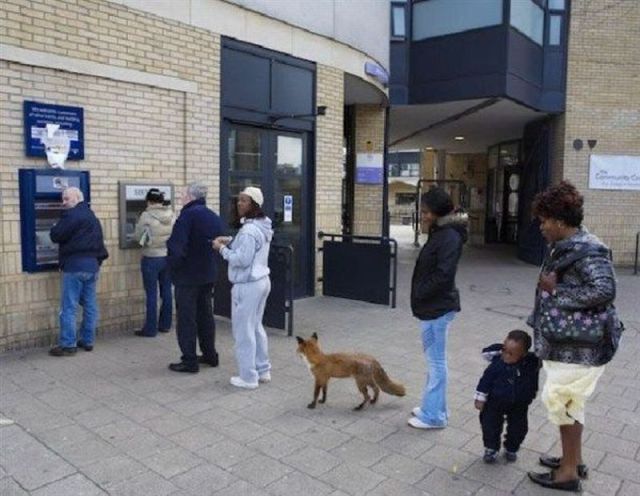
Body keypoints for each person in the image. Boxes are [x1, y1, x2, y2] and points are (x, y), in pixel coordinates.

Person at [527, 181, 623, 492]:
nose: (541, 227)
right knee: (571, 404)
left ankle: (568, 473)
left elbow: (605, 290)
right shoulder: (566, 245)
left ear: (558, 220)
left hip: (579, 348)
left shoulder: (587, 249)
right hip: (569, 344)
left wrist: (557, 290)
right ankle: (573, 459)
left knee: (562, 402)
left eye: (543, 221)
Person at [409, 187, 467, 429]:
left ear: (438, 213)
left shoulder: (448, 237)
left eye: (426, 212)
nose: (422, 215)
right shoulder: (442, 231)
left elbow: (443, 275)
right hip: (433, 307)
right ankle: (435, 408)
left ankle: (433, 417)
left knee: (436, 364)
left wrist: (420, 293)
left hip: (436, 308)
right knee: (435, 361)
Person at [212, 186, 273, 390]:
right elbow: (250, 245)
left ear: (254, 204)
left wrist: (221, 249)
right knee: (256, 326)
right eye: (238, 200)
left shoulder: (248, 230)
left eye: (245, 200)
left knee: (243, 331)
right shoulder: (262, 225)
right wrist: (230, 240)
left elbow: (242, 259)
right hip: (262, 280)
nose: (239, 204)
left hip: (247, 284)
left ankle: (248, 377)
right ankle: (263, 370)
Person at [166, 182, 224, 373]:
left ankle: (189, 360)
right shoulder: (212, 216)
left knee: (186, 319)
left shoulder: (187, 216)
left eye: (182, 195)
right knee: (205, 316)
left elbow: (177, 247)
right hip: (208, 274)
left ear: (190, 196)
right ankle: (210, 355)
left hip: (187, 277)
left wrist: (172, 268)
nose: (181, 198)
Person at [49, 187, 108, 356]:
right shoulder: (91, 216)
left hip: (74, 266)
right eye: (63, 199)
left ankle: (68, 345)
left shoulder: (72, 214)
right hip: (92, 266)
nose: (64, 202)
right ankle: (88, 341)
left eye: (67, 199)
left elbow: (56, 235)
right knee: (89, 304)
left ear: (77, 198)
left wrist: (54, 227)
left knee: (69, 307)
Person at [474, 330, 540, 464]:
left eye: (511, 353)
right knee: (489, 425)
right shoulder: (497, 361)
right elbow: (485, 379)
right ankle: (491, 448)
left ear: (523, 354)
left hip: (519, 403)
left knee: (519, 428)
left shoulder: (530, 363)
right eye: (504, 350)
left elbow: (545, 357)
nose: (506, 355)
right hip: (494, 401)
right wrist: (480, 398)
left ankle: (512, 448)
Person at [133, 188, 175, 337]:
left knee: (151, 294)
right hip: (167, 257)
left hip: (151, 258)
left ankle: (150, 329)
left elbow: (138, 237)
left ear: (149, 201)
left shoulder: (146, 215)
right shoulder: (171, 214)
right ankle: (165, 325)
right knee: (167, 292)